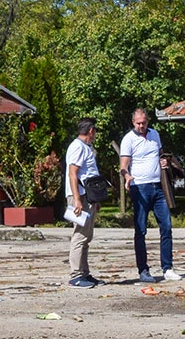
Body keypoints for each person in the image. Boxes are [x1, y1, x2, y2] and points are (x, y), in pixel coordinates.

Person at [120, 108, 182, 284]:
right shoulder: (128, 139)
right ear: (133, 122)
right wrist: (127, 176)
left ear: (148, 121)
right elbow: (123, 165)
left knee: (166, 226)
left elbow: (160, 154)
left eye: (144, 123)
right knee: (141, 230)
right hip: (140, 187)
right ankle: (143, 270)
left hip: (158, 186)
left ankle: (167, 268)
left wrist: (164, 161)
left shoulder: (155, 135)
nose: (141, 126)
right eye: (138, 123)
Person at [65, 117, 103, 288]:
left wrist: (95, 200)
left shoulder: (85, 147)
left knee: (87, 236)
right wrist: (77, 200)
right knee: (80, 235)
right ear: (91, 131)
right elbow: (73, 173)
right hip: (79, 196)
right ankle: (75, 275)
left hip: (88, 197)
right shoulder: (77, 147)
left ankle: (84, 272)